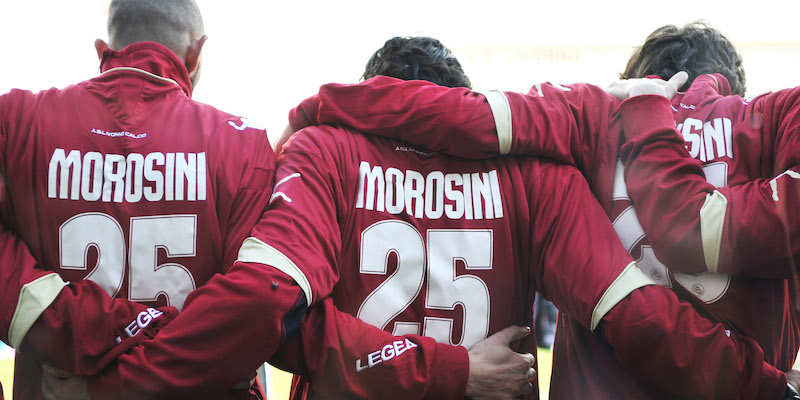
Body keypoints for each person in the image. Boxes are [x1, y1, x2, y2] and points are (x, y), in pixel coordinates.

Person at [276, 27, 800, 398]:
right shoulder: (534, 178)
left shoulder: (589, 125)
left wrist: (311, 112)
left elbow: (274, 315)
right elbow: (637, 315)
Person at [0, 0, 307, 398]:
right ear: (196, 52)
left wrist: (64, 325)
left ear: (102, 50)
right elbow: (247, 314)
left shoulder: (17, 121)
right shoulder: (244, 147)